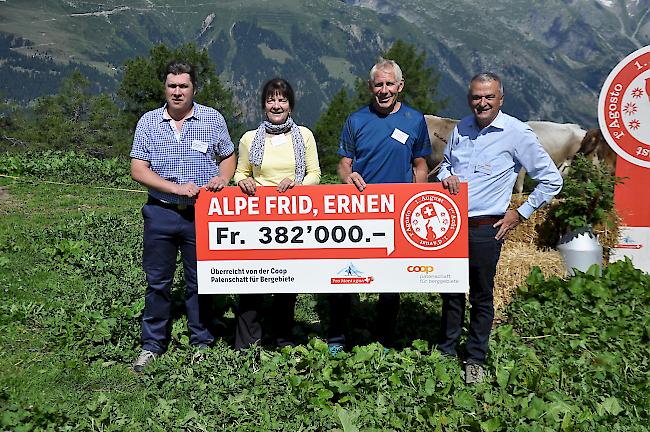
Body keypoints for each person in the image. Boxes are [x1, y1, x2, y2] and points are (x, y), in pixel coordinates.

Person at [437, 72, 563, 384]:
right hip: (449, 225)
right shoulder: (461, 128)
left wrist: (519, 214)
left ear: (500, 99)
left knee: (481, 294)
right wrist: (446, 175)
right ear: (469, 99)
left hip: (485, 226)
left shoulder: (517, 132)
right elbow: (447, 164)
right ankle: (447, 351)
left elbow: (552, 180)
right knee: (449, 290)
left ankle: (475, 358)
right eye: (476, 97)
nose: (482, 102)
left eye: (489, 97)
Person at [130, 61, 236, 372]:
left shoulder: (211, 119)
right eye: (172, 86)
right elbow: (138, 170)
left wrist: (223, 178)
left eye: (183, 86)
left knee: (200, 281)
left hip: (201, 214)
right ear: (165, 88)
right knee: (158, 281)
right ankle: (152, 344)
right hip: (160, 212)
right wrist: (174, 189)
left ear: (193, 89)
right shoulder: (149, 122)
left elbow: (228, 155)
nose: (177, 92)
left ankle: (200, 341)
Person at [328, 58, 431, 353]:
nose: (384, 90)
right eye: (378, 84)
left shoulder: (414, 120)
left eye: (389, 84)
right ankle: (337, 337)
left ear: (400, 86)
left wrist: (417, 199)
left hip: (397, 212)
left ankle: (384, 339)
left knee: (391, 280)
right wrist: (349, 178)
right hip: (358, 211)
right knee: (346, 274)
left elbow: (420, 164)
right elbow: (343, 165)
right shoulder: (356, 120)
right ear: (370, 87)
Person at [233, 78, 321, 350]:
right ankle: (248, 343)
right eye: (271, 100)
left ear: (290, 106)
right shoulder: (249, 138)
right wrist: (241, 182)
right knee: (251, 280)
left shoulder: (304, 136)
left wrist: (297, 186)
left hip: (290, 218)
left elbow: (315, 174)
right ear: (263, 105)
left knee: (286, 281)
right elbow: (240, 172)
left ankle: (283, 340)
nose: (276, 105)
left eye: (282, 99)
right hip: (256, 218)